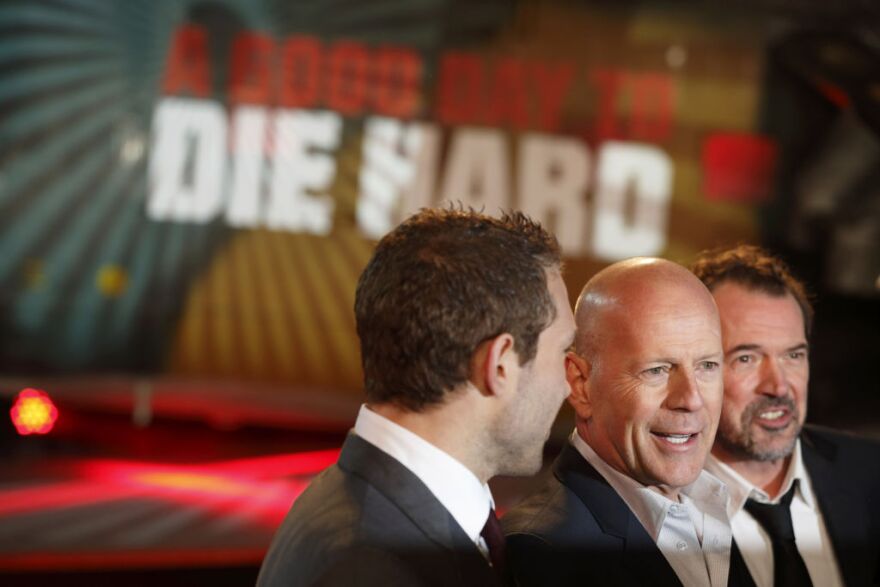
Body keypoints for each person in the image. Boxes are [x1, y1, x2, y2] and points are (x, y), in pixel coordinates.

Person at [257, 208, 576, 587]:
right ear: (500, 365)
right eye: (562, 352)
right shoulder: (372, 567)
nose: (569, 384)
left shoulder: (363, 507)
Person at [504, 258, 750, 587]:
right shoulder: (541, 554)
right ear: (580, 384)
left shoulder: (732, 519)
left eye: (707, 366)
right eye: (657, 370)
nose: (691, 399)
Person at [692, 245, 880, 587]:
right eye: (746, 358)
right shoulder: (652, 512)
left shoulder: (871, 473)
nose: (779, 386)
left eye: (793, 356)